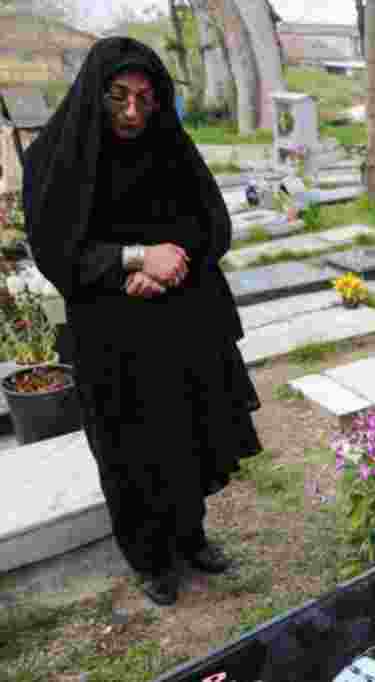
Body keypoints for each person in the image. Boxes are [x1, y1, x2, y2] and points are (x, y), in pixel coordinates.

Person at [22, 37, 262, 606]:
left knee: (187, 432)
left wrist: (167, 261)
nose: (133, 112)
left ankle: (191, 536)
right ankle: (150, 558)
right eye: (119, 98)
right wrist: (132, 258)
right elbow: (57, 250)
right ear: (94, 94)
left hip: (180, 321)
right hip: (109, 335)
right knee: (128, 447)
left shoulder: (169, 146)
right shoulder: (56, 155)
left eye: (146, 99)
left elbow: (213, 224)